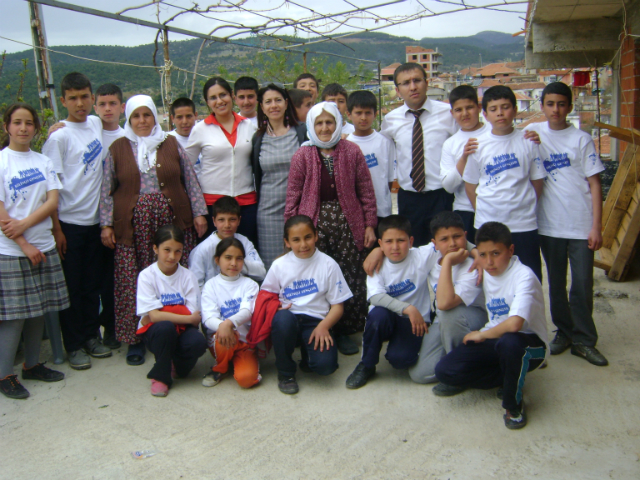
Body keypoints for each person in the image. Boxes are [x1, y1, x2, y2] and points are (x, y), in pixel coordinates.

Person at [100, 94, 207, 366]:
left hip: (171, 220)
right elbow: (107, 190)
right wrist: (106, 224)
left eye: (147, 114)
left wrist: (199, 213)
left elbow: (190, 180)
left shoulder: (169, 143)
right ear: (129, 118)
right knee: (132, 280)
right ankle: (136, 339)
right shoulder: (118, 148)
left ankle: (180, 331)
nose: (142, 121)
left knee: (173, 274)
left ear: (155, 117)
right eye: (136, 116)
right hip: (132, 227)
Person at [434, 222, 548, 430]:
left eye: (496, 253)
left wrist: (483, 335)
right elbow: (461, 247)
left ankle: (513, 405)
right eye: (484, 255)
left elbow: (515, 324)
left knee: (510, 343)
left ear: (511, 250)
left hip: (530, 344)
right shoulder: (483, 268)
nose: (489, 262)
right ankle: (508, 374)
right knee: (445, 371)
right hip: (497, 338)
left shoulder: (524, 276)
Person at [284, 101, 377, 355]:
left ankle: (345, 329)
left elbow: (366, 191)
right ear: (312, 127)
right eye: (319, 123)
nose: (325, 128)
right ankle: (322, 328)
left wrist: (370, 224)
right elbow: (293, 194)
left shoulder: (352, 151)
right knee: (318, 277)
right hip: (312, 226)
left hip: (349, 223)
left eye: (329, 122)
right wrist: (289, 230)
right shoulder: (303, 155)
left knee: (348, 276)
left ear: (337, 124)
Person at [526, 82, 608, 366]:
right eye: (550, 104)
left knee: (583, 284)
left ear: (570, 107)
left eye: (561, 104)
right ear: (542, 106)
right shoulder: (535, 136)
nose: (556, 110)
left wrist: (596, 226)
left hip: (581, 224)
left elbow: (595, 184)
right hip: (549, 225)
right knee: (557, 284)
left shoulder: (581, 139)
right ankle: (564, 331)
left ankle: (584, 340)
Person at [42, 72, 112, 370]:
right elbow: (51, 187)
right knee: (72, 287)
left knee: (91, 285)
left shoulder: (95, 123)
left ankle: (91, 336)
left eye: (85, 96)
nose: (80, 103)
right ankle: (73, 345)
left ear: (91, 97)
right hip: (69, 224)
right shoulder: (58, 137)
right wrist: (56, 228)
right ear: (63, 101)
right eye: (73, 98)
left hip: (95, 222)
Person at [0, 103, 68, 399]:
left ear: (36, 128)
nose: (23, 128)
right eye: (17, 122)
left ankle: (32, 364)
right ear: (7, 127)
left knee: (40, 310)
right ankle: (5, 375)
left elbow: (52, 202)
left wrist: (32, 227)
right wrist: (23, 242)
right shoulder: (2, 162)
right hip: (12, 252)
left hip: (44, 246)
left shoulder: (42, 161)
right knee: (15, 317)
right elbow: (2, 212)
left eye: (29, 123)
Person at [261, 215, 353, 394]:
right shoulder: (279, 265)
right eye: (296, 239)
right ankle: (286, 372)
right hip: (289, 318)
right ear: (287, 242)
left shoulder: (328, 264)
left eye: (308, 237)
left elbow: (338, 306)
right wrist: (275, 308)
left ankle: (307, 356)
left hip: (316, 322)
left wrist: (324, 327)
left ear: (316, 236)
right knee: (282, 321)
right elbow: (266, 295)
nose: (303, 244)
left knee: (325, 367)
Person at [463, 85, 545, 281]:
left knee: (529, 280)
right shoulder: (477, 145)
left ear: (515, 110)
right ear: (485, 114)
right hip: (488, 224)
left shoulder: (528, 142)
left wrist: (524, 205)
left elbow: (537, 182)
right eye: (493, 109)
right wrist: (484, 210)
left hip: (523, 224)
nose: (500, 113)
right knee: (493, 280)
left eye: (505, 107)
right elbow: (471, 186)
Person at [380, 63, 457, 247]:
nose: (412, 87)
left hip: (442, 195)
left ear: (427, 83)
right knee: (414, 253)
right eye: (405, 83)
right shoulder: (390, 120)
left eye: (417, 80)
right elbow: (382, 148)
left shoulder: (448, 114)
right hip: (409, 198)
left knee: (446, 250)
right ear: (398, 90)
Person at [409, 212, 486, 384]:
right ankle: (469, 361)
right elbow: (402, 251)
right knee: (420, 374)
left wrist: (449, 261)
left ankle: (457, 372)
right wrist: (377, 251)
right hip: (444, 320)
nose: (452, 243)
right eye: (444, 239)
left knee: (447, 313)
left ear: (465, 236)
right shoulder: (432, 253)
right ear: (434, 244)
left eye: (457, 237)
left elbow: (444, 303)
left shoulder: (473, 266)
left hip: (474, 318)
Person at [135, 225, 207, 397]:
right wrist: (183, 316)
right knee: (165, 328)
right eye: (166, 250)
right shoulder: (147, 276)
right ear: (155, 248)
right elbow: (153, 317)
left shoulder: (188, 276)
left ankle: (172, 363)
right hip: (158, 333)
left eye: (178, 251)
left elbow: (193, 316)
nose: (172, 256)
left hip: (183, 331)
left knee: (198, 342)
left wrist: (161, 312)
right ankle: (161, 377)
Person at [186, 77, 258, 245]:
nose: (219, 101)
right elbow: (186, 170)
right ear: (207, 102)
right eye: (213, 98)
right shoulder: (200, 129)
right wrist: (197, 210)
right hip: (213, 206)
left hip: (246, 204)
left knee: (245, 254)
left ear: (231, 95)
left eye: (223, 95)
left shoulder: (248, 126)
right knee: (214, 257)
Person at [251, 83, 307, 269]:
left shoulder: (301, 132)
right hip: (268, 213)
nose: (273, 105)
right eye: (268, 101)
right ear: (262, 107)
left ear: (286, 103)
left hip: (299, 209)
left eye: (278, 100)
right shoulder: (258, 138)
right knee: (272, 265)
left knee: (300, 261)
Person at [201, 237, 260, 388]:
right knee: (226, 334)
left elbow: (248, 311)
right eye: (228, 258)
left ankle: (244, 364)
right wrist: (224, 326)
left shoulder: (250, 284)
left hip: (245, 343)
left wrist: (229, 323)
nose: (233, 263)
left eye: (239, 258)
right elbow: (208, 317)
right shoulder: (211, 285)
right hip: (221, 342)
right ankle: (220, 368)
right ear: (217, 260)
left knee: (246, 380)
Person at [94, 83, 126, 350]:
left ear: (121, 107)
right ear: (95, 108)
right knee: (92, 280)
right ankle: (91, 332)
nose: (107, 109)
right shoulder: (89, 132)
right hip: (84, 219)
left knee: (114, 279)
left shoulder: (127, 138)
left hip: (118, 222)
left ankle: (114, 328)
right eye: (102, 104)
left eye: (112, 103)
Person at [440, 85, 490, 240]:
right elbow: (448, 186)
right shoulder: (451, 143)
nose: (465, 114)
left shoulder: (493, 133)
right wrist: (463, 158)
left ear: (479, 107)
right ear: (452, 113)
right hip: (465, 210)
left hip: (495, 207)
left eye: (469, 108)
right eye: (459, 110)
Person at [188, 196, 265, 289]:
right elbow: (196, 285)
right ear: (214, 221)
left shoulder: (244, 241)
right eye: (221, 220)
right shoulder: (202, 249)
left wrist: (238, 261)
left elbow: (261, 273)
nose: (227, 225)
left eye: (232, 219)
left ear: (239, 220)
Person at [346, 90, 395, 222]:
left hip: (382, 210)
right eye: (358, 113)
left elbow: (390, 179)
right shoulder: (345, 145)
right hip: (357, 212)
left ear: (375, 114)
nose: (363, 117)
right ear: (349, 114)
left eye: (368, 113)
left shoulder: (385, 142)